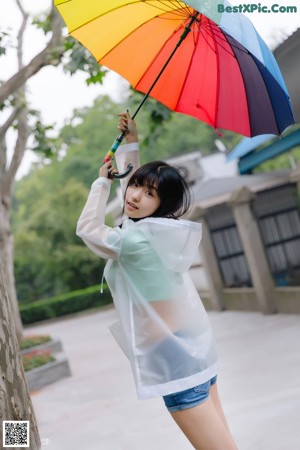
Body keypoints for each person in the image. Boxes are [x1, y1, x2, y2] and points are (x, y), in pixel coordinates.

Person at [76, 112, 238, 450]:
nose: (135, 195)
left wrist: (101, 182)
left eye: (149, 193)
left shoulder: (134, 241)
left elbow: (88, 229)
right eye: (136, 184)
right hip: (197, 355)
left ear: (161, 204)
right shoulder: (158, 230)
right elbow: (130, 204)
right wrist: (131, 144)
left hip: (177, 362)